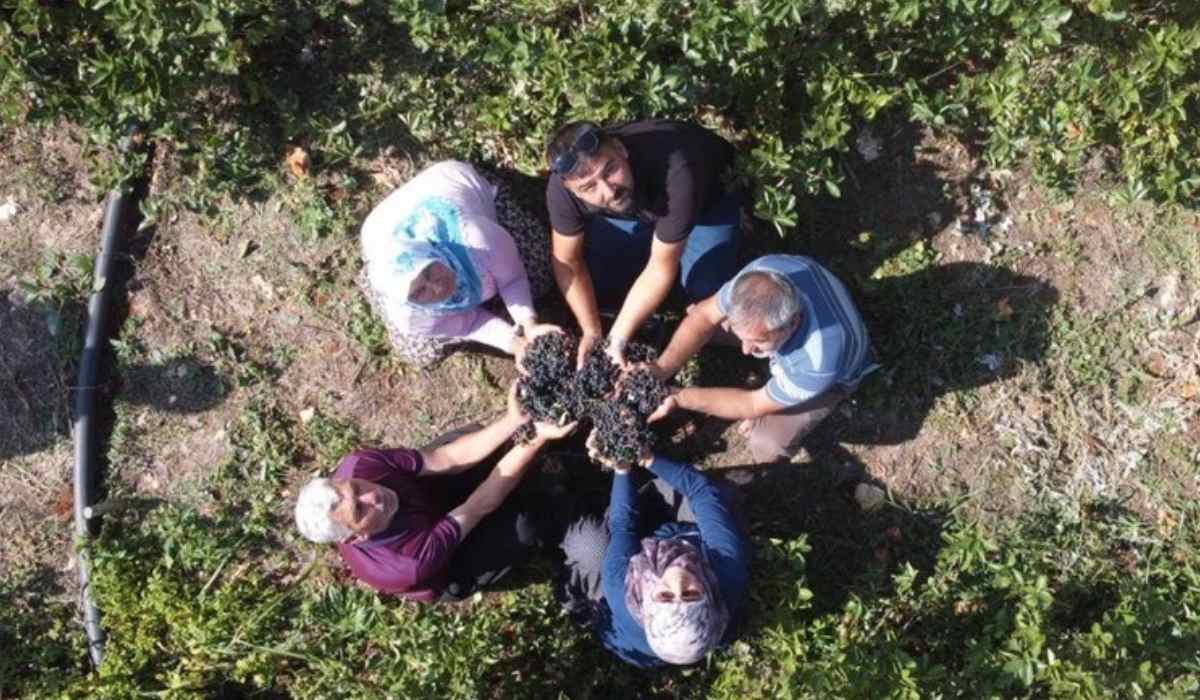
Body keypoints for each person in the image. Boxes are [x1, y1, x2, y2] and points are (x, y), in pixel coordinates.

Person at [294, 382, 576, 601]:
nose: (372, 496)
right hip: (445, 563)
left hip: (424, 499)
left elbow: (447, 459)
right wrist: (536, 438)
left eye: (357, 489)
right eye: (360, 509)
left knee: (467, 438)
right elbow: (480, 505)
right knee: (522, 525)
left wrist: (512, 422)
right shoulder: (408, 562)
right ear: (356, 537)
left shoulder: (358, 465)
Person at [544, 119, 741, 368]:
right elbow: (568, 262)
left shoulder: (677, 168)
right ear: (571, 190)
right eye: (589, 187)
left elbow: (660, 267)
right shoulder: (561, 192)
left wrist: (616, 340)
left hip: (707, 206)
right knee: (598, 285)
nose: (607, 190)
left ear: (621, 148)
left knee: (706, 307)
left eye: (609, 169)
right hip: (636, 211)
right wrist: (591, 331)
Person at [646, 254, 875, 463]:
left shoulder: (818, 363)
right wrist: (662, 368)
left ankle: (783, 399)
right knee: (698, 319)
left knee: (767, 443)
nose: (745, 350)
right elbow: (704, 315)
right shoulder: (761, 275)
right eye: (743, 338)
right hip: (800, 322)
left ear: (792, 323)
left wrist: (678, 398)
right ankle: (767, 359)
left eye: (757, 343)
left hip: (835, 379)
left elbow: (752, 404)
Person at [555, 435, 749, 667]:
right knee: (722, 497)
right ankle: (662, 505)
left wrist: (622, 470)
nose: (678, 581)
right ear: (710, 596)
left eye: (665, 596)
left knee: (590, 546)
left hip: (627, 627)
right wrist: (647, 458)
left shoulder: (619, 588)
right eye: (691, 595)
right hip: (681, 540)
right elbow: (700, 491)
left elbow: (623, 526)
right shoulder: (728, 569)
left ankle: (580, 601)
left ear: (648, 600)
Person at [360, 160, 560, 368]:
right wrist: (514, 344)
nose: (437, 287)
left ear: (432, 252)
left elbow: (513, 278)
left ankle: (481, 293)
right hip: (378, 233)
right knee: (417, 353)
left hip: (451, 181)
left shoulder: (476, 239)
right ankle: (371, 279)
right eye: (419, 292)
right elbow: (470, 324)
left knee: (539, 274)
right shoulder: (410, 317)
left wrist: (529, 323)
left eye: (428, 271)